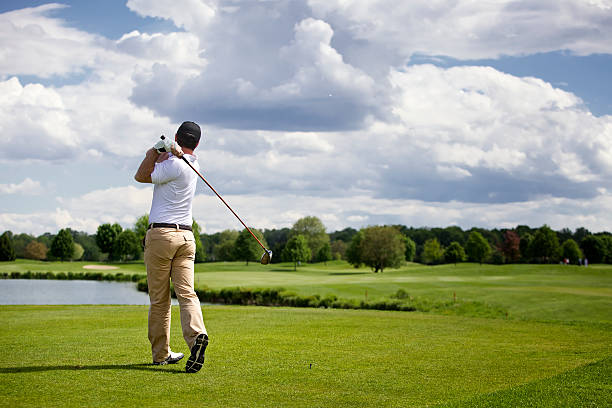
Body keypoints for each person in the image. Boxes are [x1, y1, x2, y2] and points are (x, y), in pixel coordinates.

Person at [134, 121, 208, 373]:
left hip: (161, 235)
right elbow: (172, 159)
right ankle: (197, 335)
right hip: (186, 238)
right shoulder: (194, 165)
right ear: (197, 143)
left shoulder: (173, 164)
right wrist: (171, 149)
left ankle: (161, 354)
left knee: (159, 300)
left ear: (177, 137)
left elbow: (142, 175)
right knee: (187, 294)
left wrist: (154, 149)